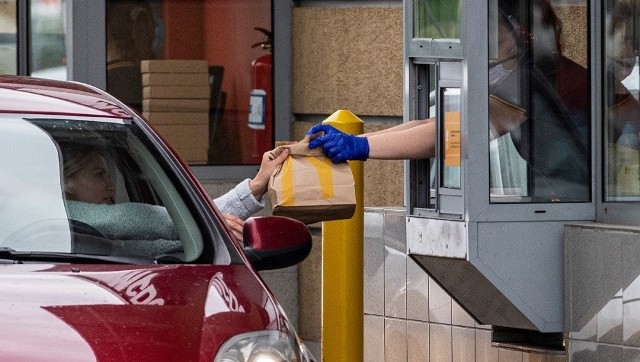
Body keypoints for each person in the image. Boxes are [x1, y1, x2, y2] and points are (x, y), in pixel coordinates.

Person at [307, 0, 592, 201]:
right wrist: (358, 139)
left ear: (521, 35)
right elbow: (434, 123)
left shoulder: (529, 79)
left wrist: (361, 146)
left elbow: (448, 135)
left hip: (580, 204)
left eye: (491, 38)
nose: (484, 51)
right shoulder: (531, 72)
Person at [62, 144, 289, 241]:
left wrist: (257, 185)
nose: (110, 187)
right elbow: (127, 219)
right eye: (99, 175)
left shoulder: (107, 241)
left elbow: (170, 244)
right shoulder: (59, 216)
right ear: (65, 183)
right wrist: (206, 221)